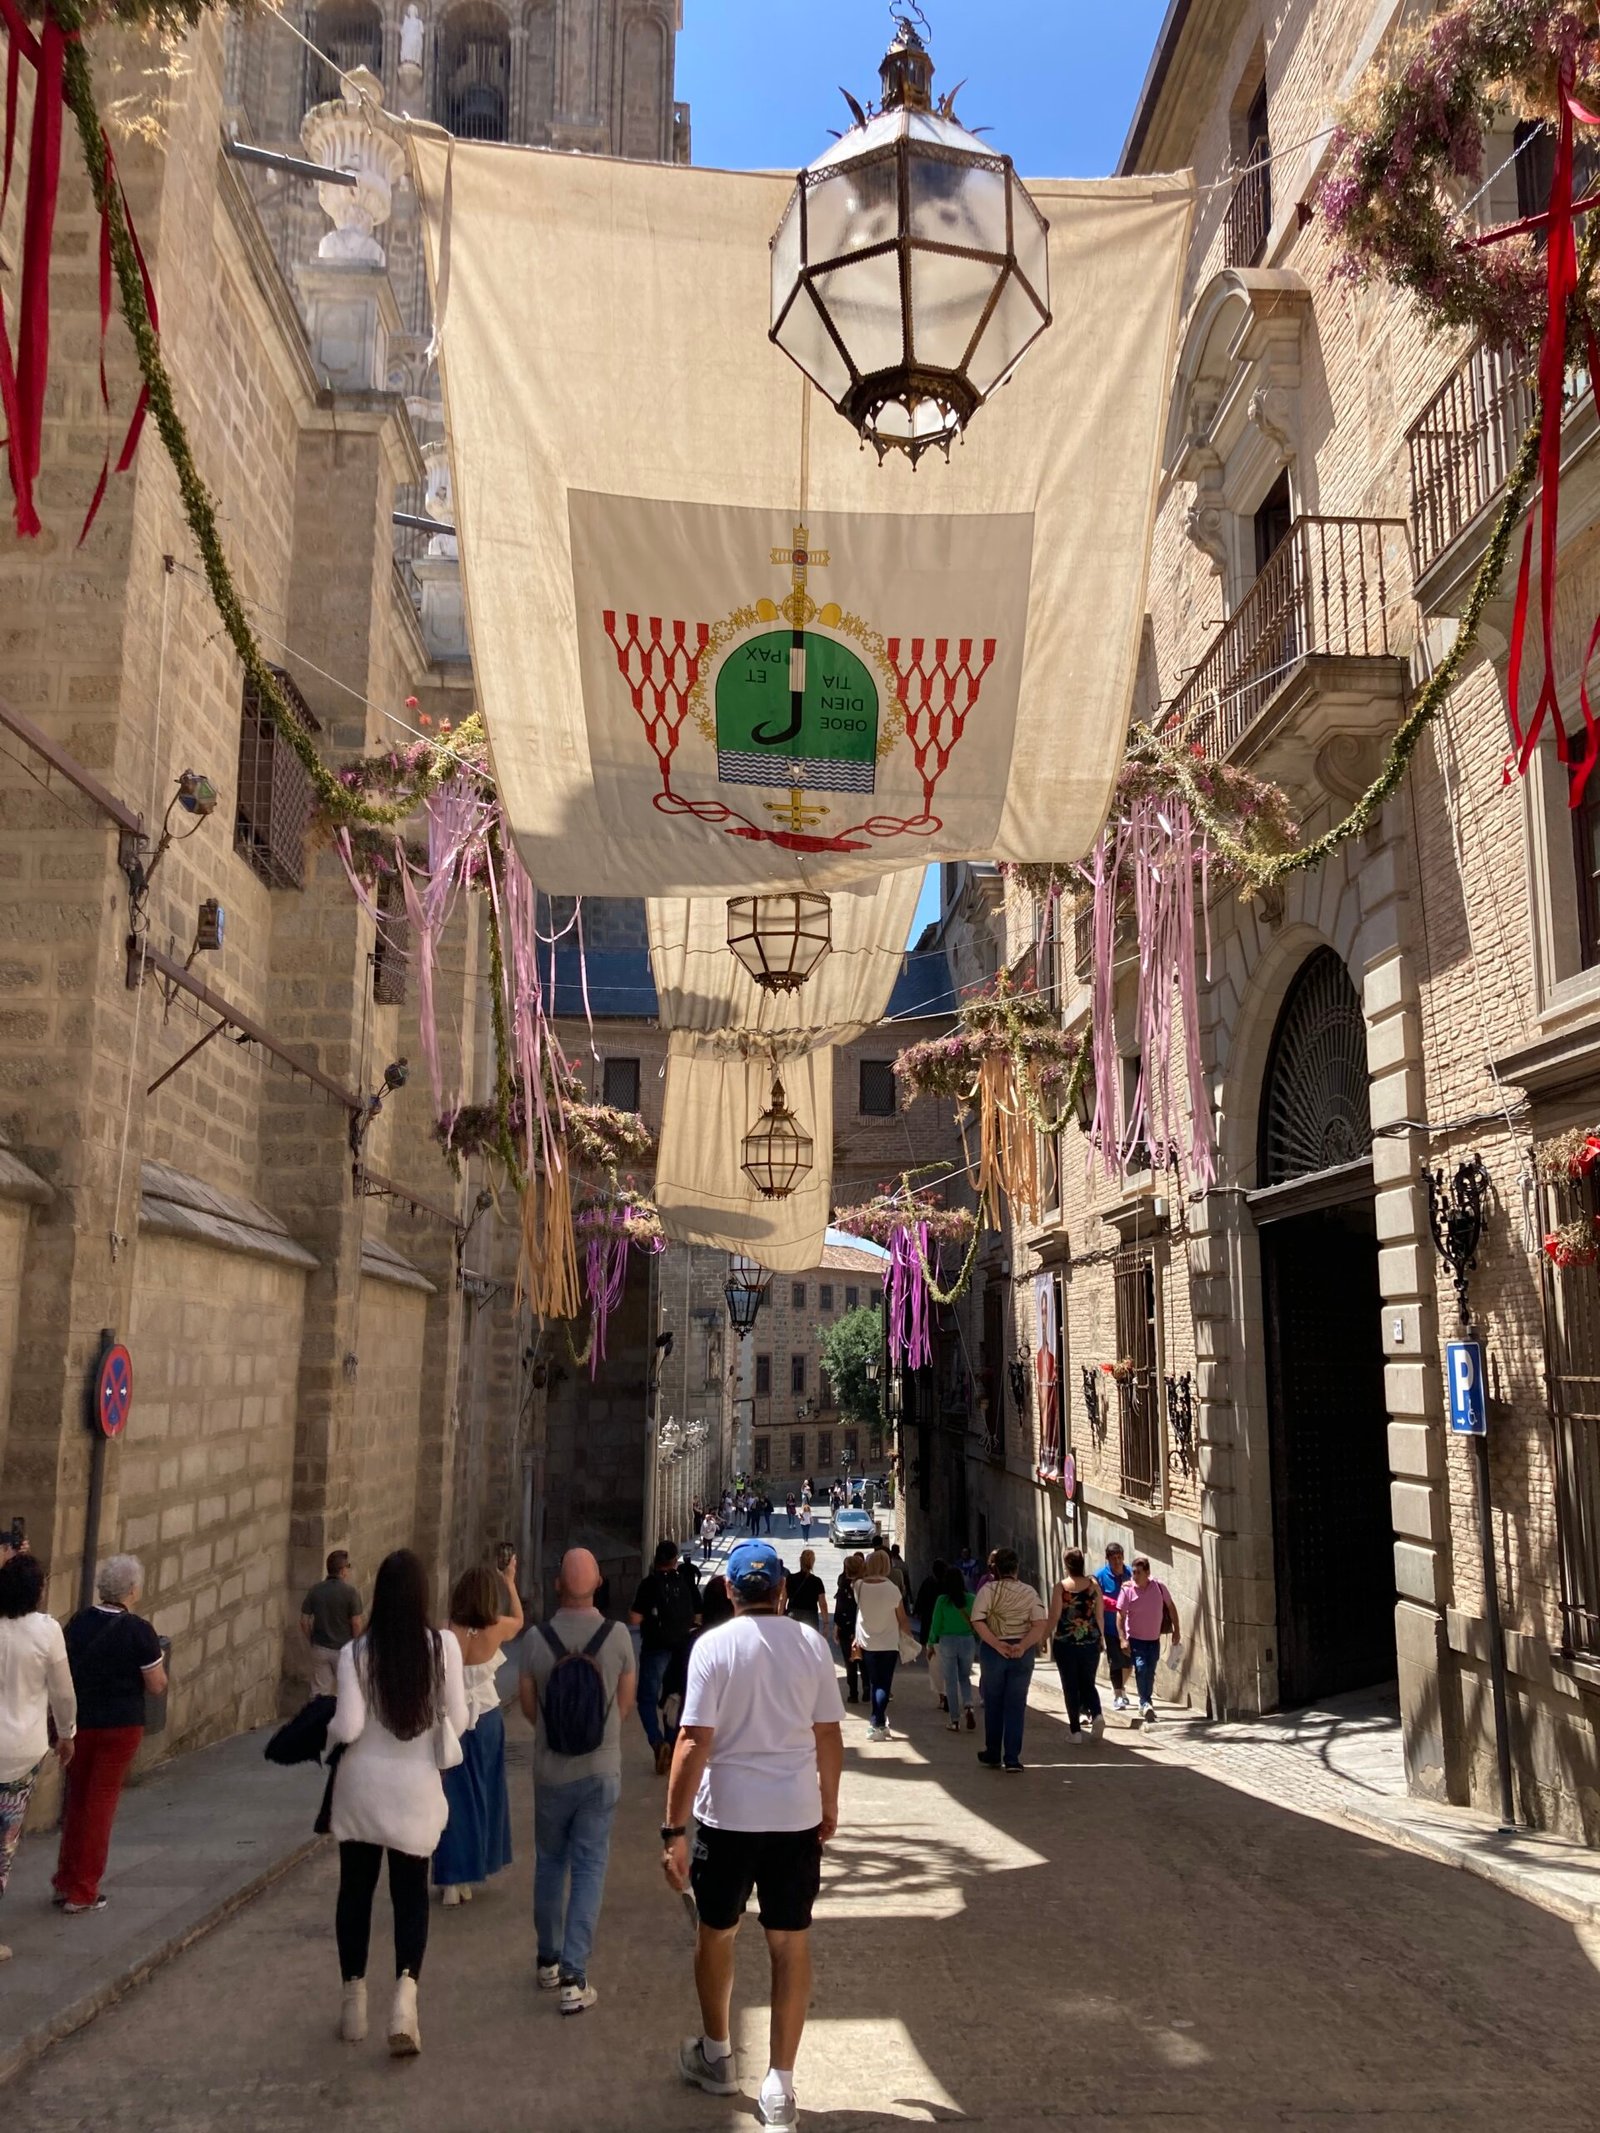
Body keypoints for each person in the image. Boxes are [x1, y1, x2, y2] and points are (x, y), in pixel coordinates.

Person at [665, 1538, 844, 2131]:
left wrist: (673, 1829)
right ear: (784, 1590)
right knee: (789, 1944)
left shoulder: (712, 1647)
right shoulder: (812, 1645)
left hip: (727, 1818)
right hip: (794, 1818)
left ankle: (718, 2056)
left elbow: (692, 1740)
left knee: (717, 1934)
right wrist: (828, 1803)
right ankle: (780, 2088)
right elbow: (828, 1736)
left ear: (728, 1591)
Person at [325, 1547, 466, 2054]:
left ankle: (352, 2004)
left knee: (355, 1894)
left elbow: (348, 1725)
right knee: (409, 1897)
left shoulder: (356, 1653)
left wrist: (325, 1739)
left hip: (361, 1789)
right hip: (414, 1790)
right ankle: (404, 2001)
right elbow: (460, 1718)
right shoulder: (441, 1647)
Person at [517, 1547, 635, 2014]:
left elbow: (528, 1707)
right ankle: (574, 1975)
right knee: (589, 1867)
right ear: (600, 1582)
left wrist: (554, 1732)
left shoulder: (535, 1639)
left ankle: (547, 1959)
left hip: (551, 1770)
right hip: (601, 1770)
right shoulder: (618, 1636)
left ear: (557, 1586)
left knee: (550, 1863)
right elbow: (623, 1706)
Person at [55, 1554, 166, 1914]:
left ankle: (66, 1880)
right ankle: (83, 1890)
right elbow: (155, 1684)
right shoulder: (139, 1630)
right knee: (100, 1805)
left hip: (81, 1723)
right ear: (132, 1590)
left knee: (77, 1802)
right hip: (120, 1724)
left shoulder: (79, 1622)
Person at [434, 1557, 522, 1906]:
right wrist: (510, 1582)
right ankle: (472, 1869)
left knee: (452, 1798)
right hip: (485, 1717)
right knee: (485, 1793)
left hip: (451, 1720)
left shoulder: (446, 1629)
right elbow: (520, 1620)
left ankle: (450, 1877)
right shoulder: (496, 1627)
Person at [0, 1552, 75, 1960]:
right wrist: (68, 1735)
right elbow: (63, 1692)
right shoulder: (46, 1631)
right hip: (19, 1754)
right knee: (4, 1842)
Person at [971, 1548, 1048, 1771]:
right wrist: (1023, 1646)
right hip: (1021, 1653)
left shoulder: (987, 1591)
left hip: (994, 1651)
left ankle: (993, 1752)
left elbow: (978, 1620)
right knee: (1016, 1705)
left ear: (995, 1568)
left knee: (994, 1703)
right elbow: (1039, 1623)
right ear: (1016, 1568)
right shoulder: (1030, 1592)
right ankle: (1012, 1758)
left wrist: (996, 1644)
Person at [630, 1540, 699, 1776]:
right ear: (675, 1560)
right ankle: (670, 1741)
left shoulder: (649, 1584)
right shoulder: (684, 1582)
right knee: (674, 1699)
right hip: (680, 1649)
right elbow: (696, 1616)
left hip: (655, 1648)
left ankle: (657, 1742)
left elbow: (635, 1619)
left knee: (646, 1699)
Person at [1047, 1550, 1106, 1741]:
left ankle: (1075, 1732)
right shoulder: (1093, 1586)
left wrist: (1043, 1637)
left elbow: (1054, 1616)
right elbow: (1099, 1616)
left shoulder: (1061, 1588)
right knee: (1088, 1682)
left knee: (1070, 1685)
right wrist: (1101, 1637)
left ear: (1066, 1565)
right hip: (1090, 1641)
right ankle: (1097, 1714)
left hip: (1066, 1643)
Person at [852, 1549, 911, 1742]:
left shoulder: (858, 1586)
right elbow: (902, 1618)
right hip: (889, 1642)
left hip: (868, 1642)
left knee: (874, 1682)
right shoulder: (892, 1589)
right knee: (884, 1684)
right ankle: (876, 1723)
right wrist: (909, 1639)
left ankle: (879, 1724)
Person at [1117, 1556, 1180, 1724]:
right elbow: (1120, 1615)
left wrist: (1177, 1630)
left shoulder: (1159, 1587)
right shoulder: (1127, 1590)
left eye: (1138, 1573)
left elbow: (1171, 1607)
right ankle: (1145, 1702)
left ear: (1147, 1573)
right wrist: (1122, 1638)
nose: (1134, 1576)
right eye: (1133, 1572)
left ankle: (1146, 1700)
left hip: (1153, 1639)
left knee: (1150, 1671)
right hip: (1136, 1639)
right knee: (1141, 1668)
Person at [300, 1549, 364, 1699]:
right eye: (347, 1566)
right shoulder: (350, 1593)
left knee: (320, 1694)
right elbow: (356, 1622)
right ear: (342, 1571)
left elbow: (303, 1621)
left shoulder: (315, 1590)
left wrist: (312, 1639)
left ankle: (318, 1720)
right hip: (343, 1649)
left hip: (320, 1648)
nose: (348, 1570)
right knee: (346, 1691)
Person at [925, 1567, 976, 1732]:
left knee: (951, 1681)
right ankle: (968, 1705)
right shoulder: (971, 1599)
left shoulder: (942, 1601)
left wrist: (931, 1642)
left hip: (947, 1641)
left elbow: (936, 1624)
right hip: (967, 1640)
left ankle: (954, 1720)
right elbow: (977, 1622)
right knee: (965, 1677)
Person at [1096, 1542, 1134, 1710]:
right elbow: (1098, 1599)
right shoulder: (1101, 1577)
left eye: (1120, 1558)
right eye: (1114, 1558)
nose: (1117, 1562)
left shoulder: (1130, 1574)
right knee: (1116, 1661)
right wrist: (1117, 1604)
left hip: (1130, 1628)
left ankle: (1120, 1688)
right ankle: (1118, 1695)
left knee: (1128, 1663)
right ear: (1108, 1559)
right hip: (1111, 1627)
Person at [832, 1556, 862, 1704]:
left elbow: (840, 1608)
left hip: (846, 1627)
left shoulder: (844, 1585)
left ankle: (853, 1693)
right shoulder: (866, 1584)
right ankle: (867, 1688)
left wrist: (836, 1626)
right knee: (864, 1661)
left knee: (850, 1662)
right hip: (863, 1627)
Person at [783, 1549, 829, 1639]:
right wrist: (826, 1623)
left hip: (793, 1614)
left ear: (800, 1561)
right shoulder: (817, 1581)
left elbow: (783, 1599)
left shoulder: (790, 1578)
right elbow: (823, 1604)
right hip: (810, 1617)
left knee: (793, 1643)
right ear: (813, 1563)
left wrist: (780, 1616)